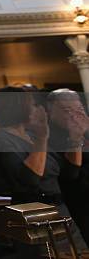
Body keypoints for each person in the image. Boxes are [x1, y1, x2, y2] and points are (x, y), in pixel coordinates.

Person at [0, 86, 87, 258]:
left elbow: (70, 173)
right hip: (34, 221)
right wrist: (42, 139)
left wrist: (75, 139)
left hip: (60, 215)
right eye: (33, 104)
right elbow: (29, 179)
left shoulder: (32, 135)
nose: (40, 109)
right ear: (18, 108)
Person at [45, 89, 89, 244]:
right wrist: (75, 138)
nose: (74, 115)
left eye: (79, 110)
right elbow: (70, 174)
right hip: (76, 204)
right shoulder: (47, 136)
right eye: (67, 110)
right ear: (50, 112)